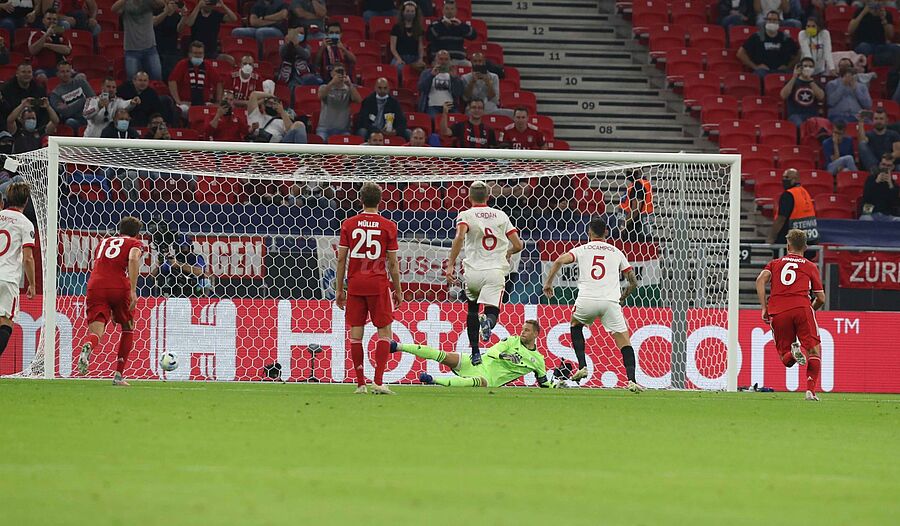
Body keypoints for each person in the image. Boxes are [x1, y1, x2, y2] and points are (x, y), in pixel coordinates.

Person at [542, 218, 642, 392]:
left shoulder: (582, 249)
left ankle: (582, 366)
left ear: (589, 232)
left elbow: (558, 261)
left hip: (586, 300)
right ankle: (631, 380)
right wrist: (622, 297)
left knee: (575, 325)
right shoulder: (616, 252)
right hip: (610, 302)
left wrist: (548, 283)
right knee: (625, 341)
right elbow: (633, 281)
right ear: (606, 233)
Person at [334, 182, 403, 395]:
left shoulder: (348, 224)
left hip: (355, 284)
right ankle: (378, 382)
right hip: (378, 284)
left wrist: (339, 289)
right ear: (380, 201)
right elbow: (392, 263)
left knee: (356, 334)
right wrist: (398, 289)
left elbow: (341, 259)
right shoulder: (388, 226)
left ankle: (360, 384)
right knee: (385, 332)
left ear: (361, 200)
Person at [445, 180, 523, 365]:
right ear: (489, 197)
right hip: (495, 272)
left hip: (473, 272)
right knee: (492, 310)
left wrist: (450, 264)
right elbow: (518, 244)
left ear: (469, 197)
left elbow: (460, 237)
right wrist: (509, 252)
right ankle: (488, 322)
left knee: (472, 310)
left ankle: (475, 352)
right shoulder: (501, 215)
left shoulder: (465, 215)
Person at [756, 228, 825, 401]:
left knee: (785, 358)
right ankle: (810, 391)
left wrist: (764, 307)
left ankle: (793, 354)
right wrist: (810, 310)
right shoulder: (810, 266)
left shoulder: (775, 264)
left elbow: (760, 280)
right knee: (813, 350)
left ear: (788, 246)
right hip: (802, 307)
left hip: (778, 311)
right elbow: (821, 298)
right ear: (806, 247)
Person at [392, 320, 568, 388]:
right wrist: (505, 356)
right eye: (522, 329)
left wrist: (557, 385)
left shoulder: (538, 360)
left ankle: (433, 380)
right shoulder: (511, 341)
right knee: (443, 355)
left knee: (475, 382)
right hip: (476, 362)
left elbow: (544, 383)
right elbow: (493, 351)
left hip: (489, 378)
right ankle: (397, 346)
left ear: (536, 334)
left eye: (527, 330)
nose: (522, 332)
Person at [77, 216, 144, 386]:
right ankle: (118, 376)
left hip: (95, 285)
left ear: (120, 230)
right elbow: (133, 258)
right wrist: (133, 290)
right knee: (128, 328)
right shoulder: (134, 243)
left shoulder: (104, 242)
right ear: (137, 234)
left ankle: (88, 346)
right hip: (119, 285)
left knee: (96, 333)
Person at [0, 183, 35, 362]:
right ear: (26, 201)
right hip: (7, 279)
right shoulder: (25, 223)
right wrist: (32, 284)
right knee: (5, 323)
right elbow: (28, 258)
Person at [168, 40, 223, 118]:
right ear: (189, 54)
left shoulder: (207, 65)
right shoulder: (182, 64)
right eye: (195, 53)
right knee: (182, 110)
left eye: (200, 53)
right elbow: (172, 81)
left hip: (205, 103)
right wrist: (178, 101)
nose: (198, 56)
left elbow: (218, 82)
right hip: (186, 104)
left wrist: (218, 102)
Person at [113, 0, 165, 81]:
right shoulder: (126, 4)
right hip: (131, 50)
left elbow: (161, 4)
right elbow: (114, 9)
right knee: (132, 81)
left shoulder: (148, 2)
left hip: (150, 48)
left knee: (157, 78)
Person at [737, 10, 800, 77]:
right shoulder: (756, 37)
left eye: (774, 20)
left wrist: (788, 66)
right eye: (769, 19)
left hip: (781, 71)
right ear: (766, 21)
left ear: (779, 22)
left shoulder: (786, 38)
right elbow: (740, 53)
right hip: (763, 71)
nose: (772, 22)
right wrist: (755, 67)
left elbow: (799, 53)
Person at [767, 168, 819, 246]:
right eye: (783, 177)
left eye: (787, 177)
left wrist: (772, 237)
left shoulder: (788, 194)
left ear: (795, 179)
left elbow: (781, 219)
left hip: (791, 241)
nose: (784, 180)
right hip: (809, 238)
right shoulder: (805, 192)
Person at [276, 25, 323, 105]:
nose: (299, 35)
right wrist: (289, 43)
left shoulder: (307, 46)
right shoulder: (284, 46)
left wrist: (296, 45)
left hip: (304, 74)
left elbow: (306, 55)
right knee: (293, 87)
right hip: (290, 75)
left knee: (313, 80)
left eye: (302, 33)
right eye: (297, 33)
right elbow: (282, 53)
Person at [181, 0, 238, 64]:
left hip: (212, 51)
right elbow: (189, 23)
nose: (209, 6)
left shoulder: (216, 14)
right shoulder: (195, 13)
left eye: (211, 4)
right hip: (197, 51)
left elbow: (234, 19)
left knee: (229, 59)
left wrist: (223, 6)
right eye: (207, 3)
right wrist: (198, 6)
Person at [315, 63, 361, 141]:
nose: (340, 74)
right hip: (324, 129)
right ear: (332, 74)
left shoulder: (349, 89)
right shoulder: (324, 87)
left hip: (343, 130)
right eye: (337, 71)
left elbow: (358, 100)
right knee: (320, 141)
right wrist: (332, 83)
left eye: (342, 71)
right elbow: (320, 96)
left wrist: (350, 84)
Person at [27, 8, 72, 81]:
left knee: (81, 76)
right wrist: (46, 35)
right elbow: (32, 50)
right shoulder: (36, 34)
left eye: (54, 19)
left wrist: (47, 45)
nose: (52, 21)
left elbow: (67, 50)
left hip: (61, 69)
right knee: (41, 77)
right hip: (42, 69)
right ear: (43, 20)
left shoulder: (62, 33)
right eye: (49, 19)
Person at [49, 60, 94, 134]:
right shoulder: (55, 94)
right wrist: (83, 99)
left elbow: (93, 99)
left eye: (67, 71)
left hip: (90, 116)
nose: (65, 74)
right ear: (57, 74)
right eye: (62, 72)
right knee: (70, 122)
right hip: (74, 120)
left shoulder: (81, 82)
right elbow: (66, 113)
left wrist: (69, 106)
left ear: (71, 72)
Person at [426, 0, 476, 65]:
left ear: (456, 11)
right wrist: (442, 26)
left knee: (469, 65)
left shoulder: (460, 24)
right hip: (440, 60)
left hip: (459, 59)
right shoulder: (435, 24)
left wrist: (460, 26)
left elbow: (473, 36)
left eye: (452, 9)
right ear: (443, 10)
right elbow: (428, 37)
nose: (449, 11)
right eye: (447, 9)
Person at [417, 49, 463, 116]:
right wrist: (431, 76)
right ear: (435, 60)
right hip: (432, 106)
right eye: (441, 59)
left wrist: (454, 78)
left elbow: (458, 93)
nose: (443, 62)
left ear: (449, 61)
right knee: (433, 119)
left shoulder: (453, 74)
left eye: (446, 59)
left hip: (450, 107)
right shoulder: (427, 73)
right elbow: (422, 89)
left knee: (458, 119)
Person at [781, 57, 825, 127]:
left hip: (812, 115)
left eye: (810, 66)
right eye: (805, 66)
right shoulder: (792, 82)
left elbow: (821, 97)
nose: (808, 68)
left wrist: (810, 80)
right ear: (800, 68)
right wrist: (794, 77)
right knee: (800, 124)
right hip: (796, 115)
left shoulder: (816, 83)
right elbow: (783, 95)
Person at [390, 1, 426, 82]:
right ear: (403, 12)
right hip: (400, 56)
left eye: (412, 11)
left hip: (414, 57)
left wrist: (420, 59)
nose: (410, 13)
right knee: (399, 69)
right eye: (408, 11)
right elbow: (393, 47)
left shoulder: (419, 28)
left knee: (422, 70)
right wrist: (398, 59)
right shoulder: (396, 28)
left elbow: (420, 46)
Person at [858, 108, 900, 172]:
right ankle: (876, 170)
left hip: (889, 164)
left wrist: (888, 157)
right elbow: (862, 143)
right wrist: (861, 122)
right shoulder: (868, 135)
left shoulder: (893, 134)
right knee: (862, 144)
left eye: (881, 119)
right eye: (876, 119)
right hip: (873, 166)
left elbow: (898, 152)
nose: (878, 121)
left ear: (886, 120)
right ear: (872, 120)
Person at [153, 0, 187, 80]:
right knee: (157, 74)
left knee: (170, 74)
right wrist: (166, 12)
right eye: (171, 3)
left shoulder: (177, 16)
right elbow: (155, 22)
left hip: (171, 50)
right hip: (157, 48)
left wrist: (184, 16)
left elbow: (179, 29)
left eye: (174, 3)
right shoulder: (157, 12)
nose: (173, 5)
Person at [619, 169, 654, 241]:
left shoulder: (638, 185)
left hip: (635, 229)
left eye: (630, 169)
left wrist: (623, 224)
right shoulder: (643, 183)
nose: (627, 171)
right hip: (643, 225)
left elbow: (635, 209)